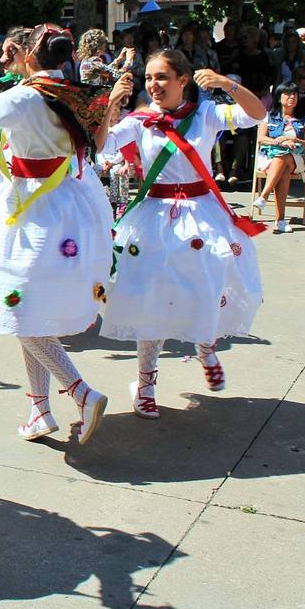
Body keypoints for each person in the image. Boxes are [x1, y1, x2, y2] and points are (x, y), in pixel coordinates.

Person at [0, 24, 112, 444]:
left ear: (30, 55)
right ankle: (39, 409)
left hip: (28, 213)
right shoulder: (74, 94)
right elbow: (96, 143)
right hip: (66, 208)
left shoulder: (28, 96)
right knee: (27, 311)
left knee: (16, 310)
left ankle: (81, 392)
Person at [96, 50, 267, 417]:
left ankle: (205, 346)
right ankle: (145, 383)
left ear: (183, 80)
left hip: (200, 214)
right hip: (152, 218)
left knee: (204, 285)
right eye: (149, 78)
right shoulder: (139, 120)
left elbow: (256, 114)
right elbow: (100, 146)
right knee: (150, 300)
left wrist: (225, 83)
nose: (153, 85)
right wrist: (111, 105)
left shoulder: (205, 114)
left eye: (161, 77)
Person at [251, 82, 305, 233]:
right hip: (270, 157)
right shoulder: (268, 117)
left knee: (284, 156)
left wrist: (295, 140)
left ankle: (264, 196)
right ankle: (280, 221)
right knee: (282, 163)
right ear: (279, 97)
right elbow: (260, 139)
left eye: (294, 94)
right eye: (287, 94)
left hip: (296, 158)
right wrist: (277, 141)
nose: (292, 97)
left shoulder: (304, 119)